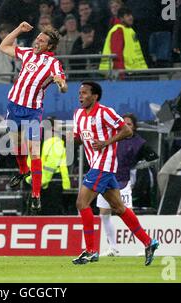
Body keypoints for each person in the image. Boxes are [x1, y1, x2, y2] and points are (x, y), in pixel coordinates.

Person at [72, 81, 159, 266]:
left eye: (84, 93)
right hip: (97, 165)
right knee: (119, 208)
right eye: (79, 92)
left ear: (94, 96)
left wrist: (106, 142)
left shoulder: (105, 112)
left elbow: (127, 130)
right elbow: (79, 139)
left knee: (82, 202)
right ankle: (149, 242)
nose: (80, 96)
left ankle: (90, 251)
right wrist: (71, 139)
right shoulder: (78, 114)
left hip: (104, 164)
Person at [0, 21, 68, 214]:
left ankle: (36, 194)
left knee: (34, 150)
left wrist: (60, 84)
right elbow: (3, 46)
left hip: (32, 111)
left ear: (50, 47)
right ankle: (23, 171)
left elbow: (64, 87)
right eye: (37, 38)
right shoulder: (28, 53)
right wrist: (18, 29)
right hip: (14, 105)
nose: (37, 42)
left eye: (42, 41)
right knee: (17, 146)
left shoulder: (53, 63)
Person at [97, 113, 158, 257]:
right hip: (106, 180)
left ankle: (146, 244)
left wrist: (135, 166)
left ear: (134, 127)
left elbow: (154, 158)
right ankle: (113, 248)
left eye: (129, 124)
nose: (125, 126)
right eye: (123, 124)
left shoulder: (139, 142)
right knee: (104, 214)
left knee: (127, 214)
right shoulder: (113, 138)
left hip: (123, 182)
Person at [25, 118, 71, 215]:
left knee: (39, 212)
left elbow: (29, 163)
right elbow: (50, 166)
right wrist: (42, 182)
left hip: (39, 182)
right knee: (52, 213)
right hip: (52, 182)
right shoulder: (56, 142)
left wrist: (31, 179)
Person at [99, 7, 148, 79]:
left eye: (131, 15)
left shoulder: (129, 30)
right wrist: (121, 74)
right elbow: (116, 54)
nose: (131, 17)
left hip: (132, 72)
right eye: (128, 15)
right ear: (121, 18)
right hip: (124, 73)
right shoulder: (118, 30)